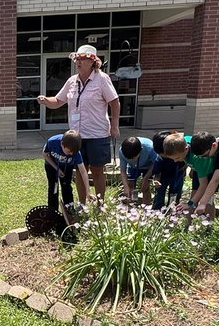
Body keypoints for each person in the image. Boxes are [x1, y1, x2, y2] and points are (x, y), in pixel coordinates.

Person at [38, 44, 120, 200]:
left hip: (98, 134)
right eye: (77, 59)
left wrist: (115, 126)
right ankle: (82, 205)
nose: (78, 62)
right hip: (77, 137)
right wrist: (44, 100)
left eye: (82, 59)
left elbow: (114, 102)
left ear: (92, 62)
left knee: (97, 170)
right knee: (79, 170)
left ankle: (99, 205)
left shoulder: (102, 79)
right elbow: (57, 101)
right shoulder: (71, 81)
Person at [42, 129, 89, 216]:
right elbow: (45, 154)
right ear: (62, 144)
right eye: (68, 151)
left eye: (73, 153)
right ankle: (52, 212)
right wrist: (57, 169)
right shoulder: (52, 142)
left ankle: (69, 211)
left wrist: (88, 192)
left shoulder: (75, 152)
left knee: (66, 186)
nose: (70, 154)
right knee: (53, 187)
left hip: (67, 166)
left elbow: (83, 171)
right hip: (51, 165)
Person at [119, 136, 157, 205]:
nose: (132, 160)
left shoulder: (150, 148)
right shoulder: (122, 151)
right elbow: (123, 171)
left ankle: (146, 207)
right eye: (129, 158)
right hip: (132, 167)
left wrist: (146, 178)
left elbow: (154, 164)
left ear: (141, 150)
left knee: (145, 187)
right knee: (131, 186)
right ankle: (133, 204)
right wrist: (125, 186)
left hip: (148, 166)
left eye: (134, 157)